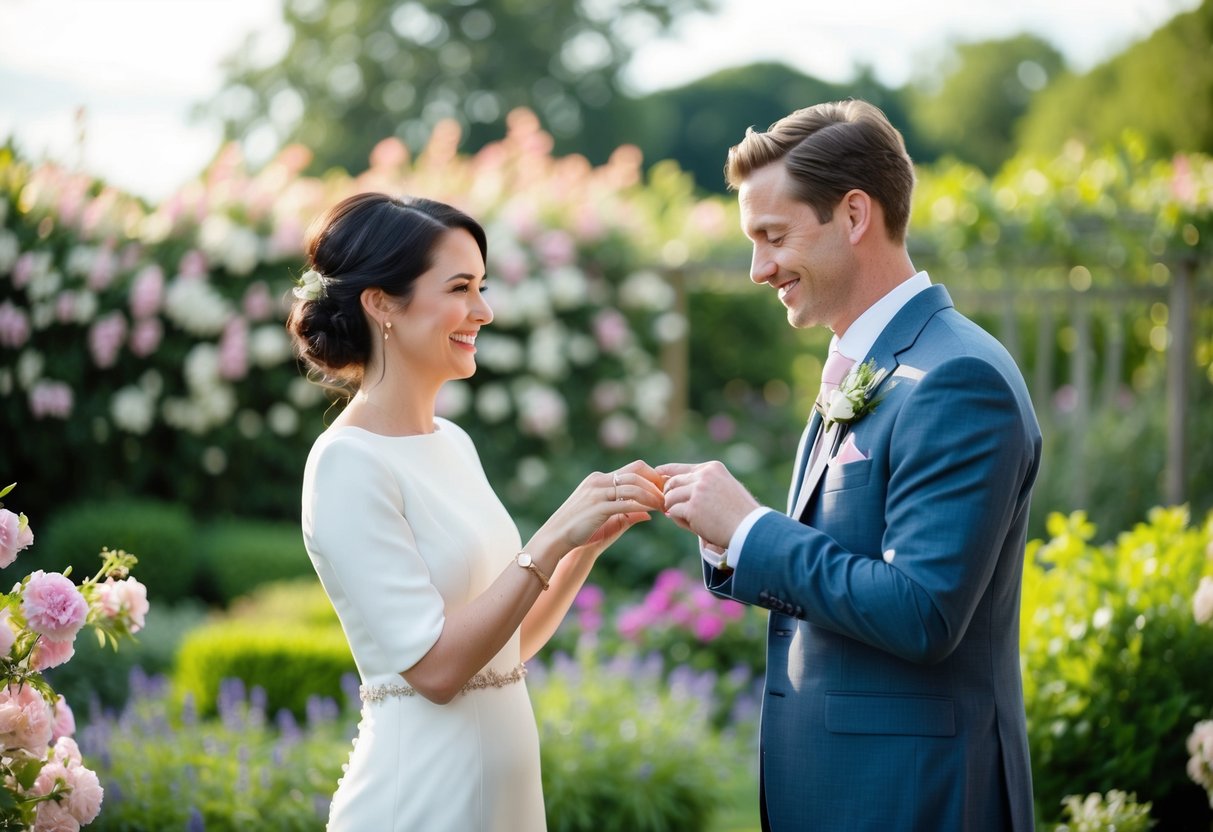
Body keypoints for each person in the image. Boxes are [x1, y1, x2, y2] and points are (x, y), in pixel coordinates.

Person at [658, 100, 1041, 831]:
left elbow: (922, 610)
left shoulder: (956, 377)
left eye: (772, 236)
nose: (757, 268)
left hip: (913, 796)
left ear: (855, 214)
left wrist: (751, 531)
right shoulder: (870, 362)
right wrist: (722, 534)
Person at [286, 192, 664, 831]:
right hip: (422, 797)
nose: (483, 311)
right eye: (461, 287)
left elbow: (504, 650)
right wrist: (550, 537)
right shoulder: (347, 463)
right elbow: (436, 672)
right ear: (382, 304)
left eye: (481, 287)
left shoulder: (453, 442)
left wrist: (583, 547)